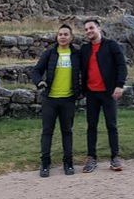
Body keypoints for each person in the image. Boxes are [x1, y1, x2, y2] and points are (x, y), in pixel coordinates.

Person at [32, 24, 82, 177]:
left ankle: (68, 163)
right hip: (50, 100)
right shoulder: (49, 53)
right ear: (57, 37)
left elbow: (86, 72)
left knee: (67, 132)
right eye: (60, 34)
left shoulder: (77, 54)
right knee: (47, 132)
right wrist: (39, 82)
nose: (62, 37)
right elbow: (36, 70)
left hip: (68, 100)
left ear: (71, 37)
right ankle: (45, 163)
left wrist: (81, 90)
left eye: (66, 34)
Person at [80, 19, 128, 173]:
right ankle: (91, 158)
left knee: (111, 125)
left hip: (108, 93)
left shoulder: (111, 45)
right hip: (91, 94)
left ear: (98, 28)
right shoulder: (85, 49)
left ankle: (114, 157)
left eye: (91, 28)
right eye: (86, 29)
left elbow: (122, 65)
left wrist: (119, 85)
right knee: (91, 126)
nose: (89, 31)